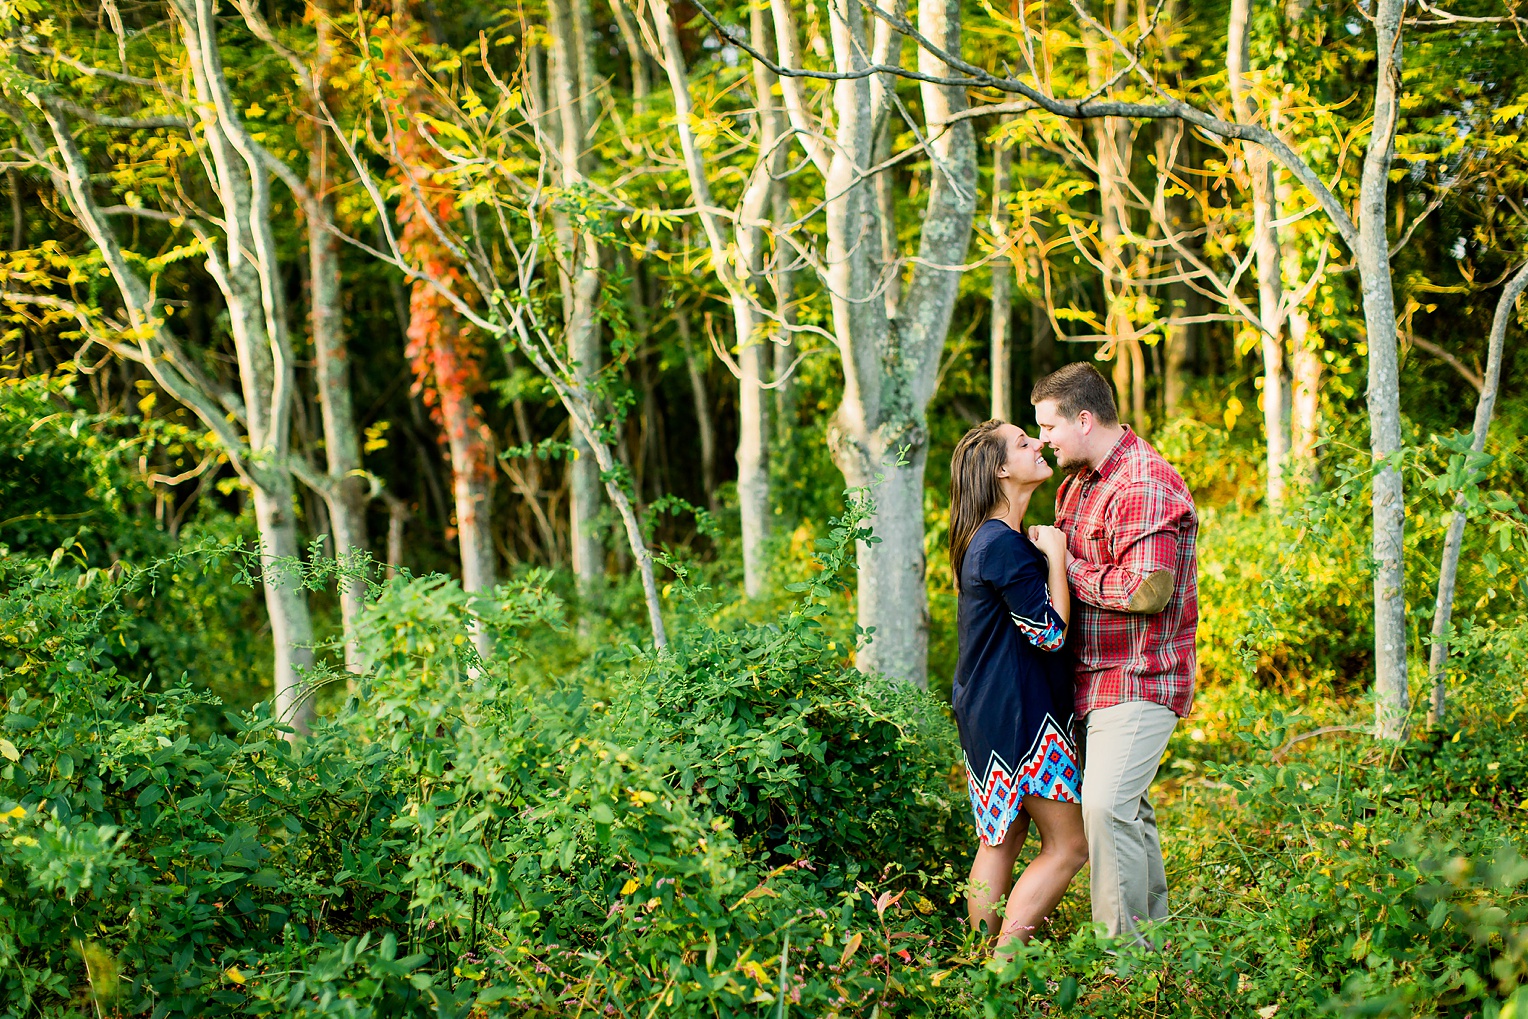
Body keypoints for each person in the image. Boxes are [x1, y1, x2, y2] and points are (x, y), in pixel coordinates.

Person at [1030, 362, 1198, 942]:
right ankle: (1153, 954)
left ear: (1083, 418)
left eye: (1048, 427)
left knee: (1104, 809)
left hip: (1140, 675)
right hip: (1091, 679)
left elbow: (1149, 590)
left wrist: (1063, 564)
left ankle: (1122, 963)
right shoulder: (1078, 484)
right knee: (1129, 813)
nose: (1044, 441)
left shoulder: (1143, 482)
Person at [948, 420, 1090, 951]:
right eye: (1025, 443)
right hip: (1022, 718)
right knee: (1069, 846)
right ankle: (1004, 966)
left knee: (1001, 840)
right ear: (1001, 469)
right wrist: (1055, 556)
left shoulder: (981, 540)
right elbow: (1049, 634)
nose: (1039, 444)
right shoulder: (1002, 545)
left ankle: (976, 960)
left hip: (988, 711)